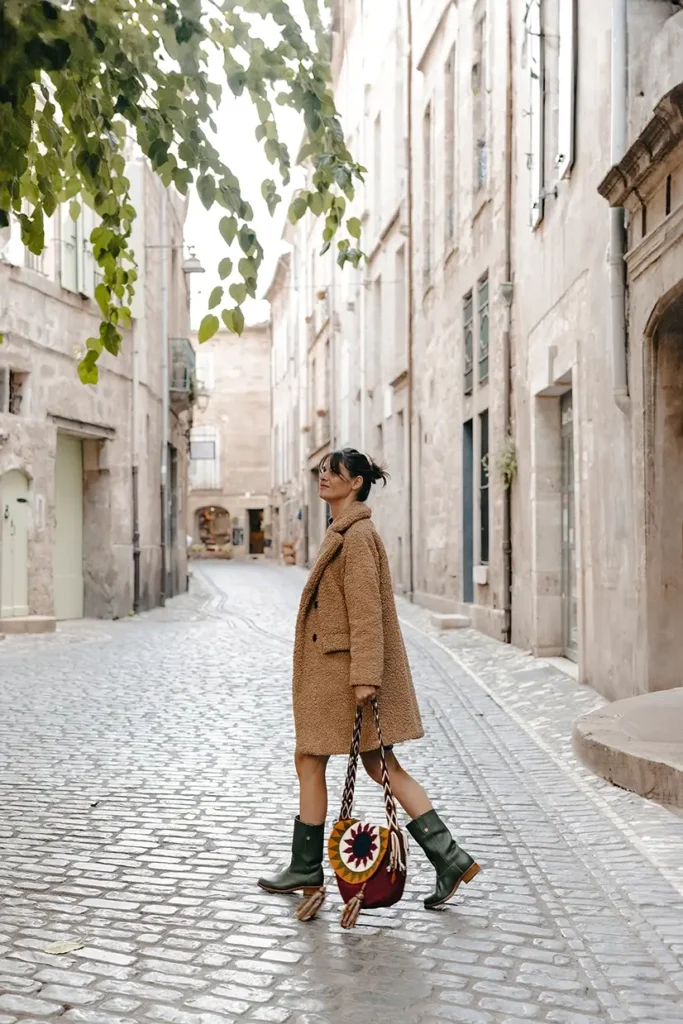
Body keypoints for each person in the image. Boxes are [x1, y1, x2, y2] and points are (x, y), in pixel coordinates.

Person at [258, 448, 479, 916]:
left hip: (345, 676)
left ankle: (309, 866)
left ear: (355, 482)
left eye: (333, 472)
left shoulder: (356, 536)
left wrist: (365, 678)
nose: (324, 476)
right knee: (345, 762)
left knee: (357, 763)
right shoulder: (343, 531)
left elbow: (366, 613)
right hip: (336, 673)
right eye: (321, 470)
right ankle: (447, 858)